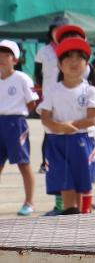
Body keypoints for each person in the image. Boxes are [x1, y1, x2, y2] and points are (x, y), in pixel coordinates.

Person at [38, 35, 95, 216]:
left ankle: (81, 212)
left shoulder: (90, 90)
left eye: (79, 57)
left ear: (87, 64)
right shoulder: (52, 90)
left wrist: (69, 125)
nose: (74, 62)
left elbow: (92, 119)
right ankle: (69, 212)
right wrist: (57, 127)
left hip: (81, 140)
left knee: (81, 182)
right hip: (56, 141)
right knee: (65, 181)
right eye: (68, 57)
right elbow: (45, 117)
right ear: (59, 64)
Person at [0, 40, 38, 215]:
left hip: (16, 123)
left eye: (6, 55)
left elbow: (32, 103)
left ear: (15, 60)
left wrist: (18, 112)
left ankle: (29, 202)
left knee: (23, 163)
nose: (2, 58)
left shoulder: (22, 78)